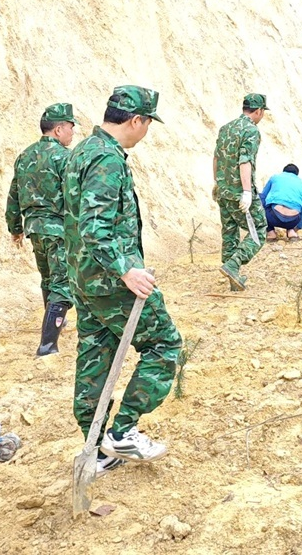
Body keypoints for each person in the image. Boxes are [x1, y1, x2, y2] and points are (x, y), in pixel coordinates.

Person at [63, 86, 180, 468]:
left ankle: (95, 450)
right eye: (147, 124)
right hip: (113, 282)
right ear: (137, 121)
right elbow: (96, 227)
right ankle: (122, 432)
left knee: (95, 358)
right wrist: (126, 269)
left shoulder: (81, 150)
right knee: (164, 345)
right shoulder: (107, 160)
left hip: (84, 278)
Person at [5, 102, 77, 357]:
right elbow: (73, 195)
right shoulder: (65, 158)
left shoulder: (24, 156)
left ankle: (58, 323)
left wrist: (15, 228)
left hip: (34, 228)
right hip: (58, 229)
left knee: (48, 278)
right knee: (63, 283)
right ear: (58, 130)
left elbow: (13, 194)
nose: (72, 132)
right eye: (70, 127)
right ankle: (47, 345)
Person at [213, 93, 270, 291]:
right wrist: (247, 192)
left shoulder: (226, 128)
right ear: (259, 111)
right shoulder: (251, 131)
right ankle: (233, 265)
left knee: (230, 233)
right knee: (259, 230)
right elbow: (245, 160)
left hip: (223, 191)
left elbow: (216, 158)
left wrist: (217, 183)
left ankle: (233, 281)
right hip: (239, 192)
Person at [261, 163, 302, 240]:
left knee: (260, 197)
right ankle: (291, 232)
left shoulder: (275, 178)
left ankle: (270, 232)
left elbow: (264, 196)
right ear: (296, 174)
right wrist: (297, 228)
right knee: (297, 207)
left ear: (284, 171)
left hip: (273, 217)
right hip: (293, 220)